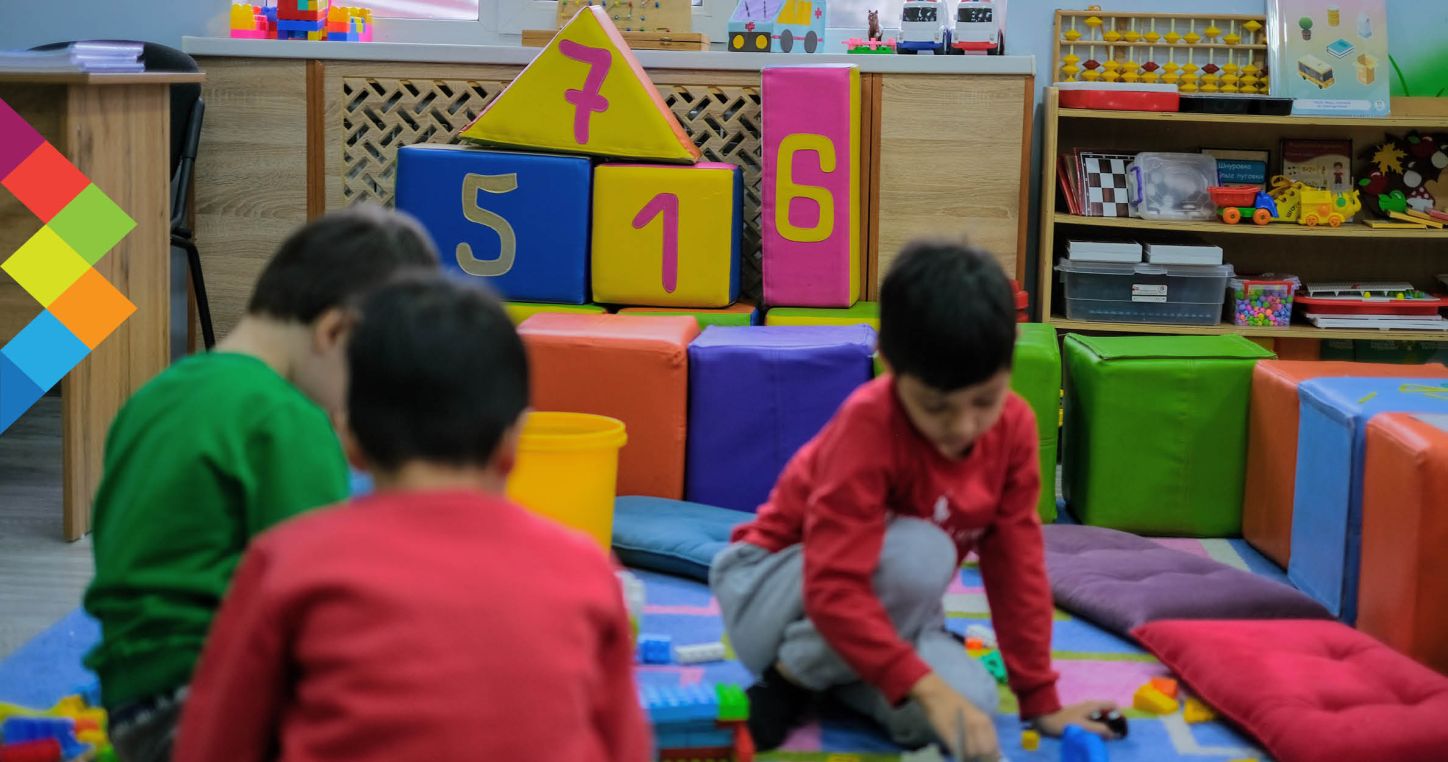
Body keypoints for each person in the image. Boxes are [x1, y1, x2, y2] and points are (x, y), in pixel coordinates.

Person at [173, 274, 651, 762]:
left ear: (350, 440)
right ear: (512, 444)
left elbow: (213, 745)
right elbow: (627, 748)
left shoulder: (286, 562)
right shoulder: (587, 569)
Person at [711, 241, 1119, 760]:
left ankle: (839, 677)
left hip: (889, 612)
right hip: (769, 594)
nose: (964, 426)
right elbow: (834, 587)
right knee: (920, 554)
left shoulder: (1014, 429)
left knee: (970, 702)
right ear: (889, 366)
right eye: (936, 406)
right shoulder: (869, 424)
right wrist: (924, 685)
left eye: (984, 401)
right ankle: (788, 680)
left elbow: (1016, 569)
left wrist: (1041, 702)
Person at [83, 204, 440, 762]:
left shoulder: (162, 392)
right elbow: (327, 604)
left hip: (130, 704)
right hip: (211, 710)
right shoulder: (284, 419)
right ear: (335, 331)